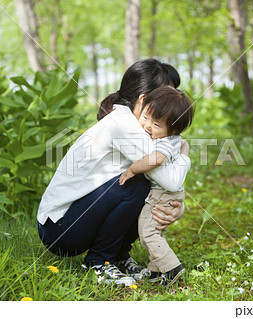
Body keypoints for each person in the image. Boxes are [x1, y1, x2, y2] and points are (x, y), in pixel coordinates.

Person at [37, 59, 190, 286]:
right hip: (59, 228)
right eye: (167, 92)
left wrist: (177, 207)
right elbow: (170, 180)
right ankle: (100, 262)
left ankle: (118, 256)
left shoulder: (137, 126)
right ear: (144, 100)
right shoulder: (124, 125)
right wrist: (185, 153)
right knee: (137, 184)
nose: (171, 101)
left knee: (142, 180)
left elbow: (165, 181)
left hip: (75, 218)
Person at [119, 86, 194, 286]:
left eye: (156, 124)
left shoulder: (164, 143)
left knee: (148, 233)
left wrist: (132, 169)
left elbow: (156, 160)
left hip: (161, 194)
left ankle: (171, 269)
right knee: (154, 231)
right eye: (145, 118)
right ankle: (154, 271)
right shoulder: (172, 139)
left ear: (173, 129)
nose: (147, 127)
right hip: (167, 194)